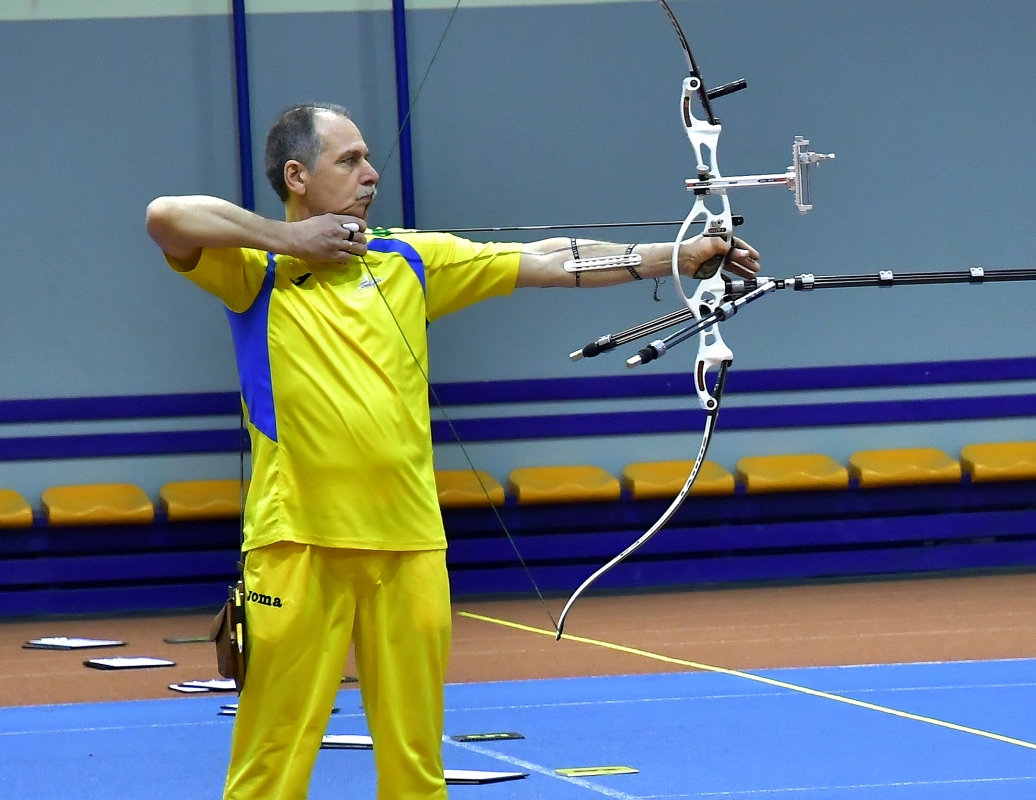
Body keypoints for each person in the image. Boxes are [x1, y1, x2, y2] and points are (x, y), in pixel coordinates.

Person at [145, 102, 760, 800]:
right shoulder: (254, 269)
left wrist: (672, 256)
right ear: (297, 175)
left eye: (368, 158)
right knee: (270, 763)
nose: (371, 174)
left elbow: (548, 259)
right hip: (296, 546)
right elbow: (166, 216)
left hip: (410, 547)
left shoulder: (407, 258)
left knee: (416, 766)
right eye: (349, 160)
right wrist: (290, 238)